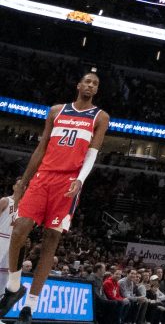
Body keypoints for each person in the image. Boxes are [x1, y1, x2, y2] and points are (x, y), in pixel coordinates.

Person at [0, 73, 108, 322]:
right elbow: (41, 148)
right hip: (43, 177)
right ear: (78, 85)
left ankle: (30, 307)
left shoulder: (100, 117)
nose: (90, 85)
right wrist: (21, 185)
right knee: (19, 231)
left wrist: (80, 180)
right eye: (87, 82)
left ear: (97, 90)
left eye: (95, 84)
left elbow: (92, 154)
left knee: (50, 242)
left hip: (68, 182)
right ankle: (14, 288)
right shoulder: (56, 111)